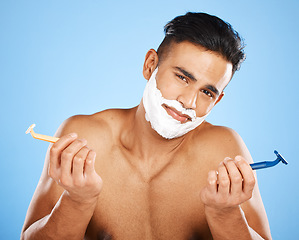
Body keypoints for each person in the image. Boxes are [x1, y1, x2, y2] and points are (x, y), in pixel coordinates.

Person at [21, 12, 272, 240]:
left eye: (207, 92)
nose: (189, 102)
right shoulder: (83, 136)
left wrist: (226, 215)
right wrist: (77, 201)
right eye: (182, 77)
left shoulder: (224, 150)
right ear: (150, 65)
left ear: (217, 100)